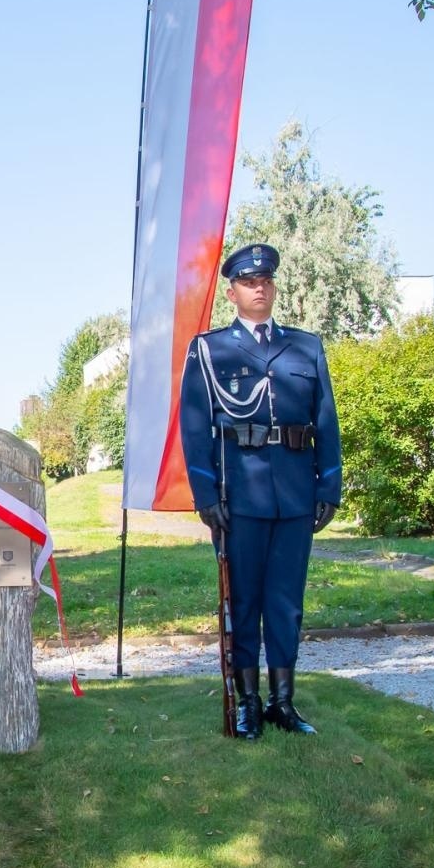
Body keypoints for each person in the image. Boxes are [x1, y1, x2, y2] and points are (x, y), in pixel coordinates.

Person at [180, 243, 342, 740]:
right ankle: (248, 702)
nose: (260, 288)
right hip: (239, 496)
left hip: (294, 494)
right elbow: (194, 426)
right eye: (250, 282)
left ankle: (283, 702)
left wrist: (328, 485)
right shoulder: (210, 350)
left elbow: (326, 421)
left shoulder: (306, 347)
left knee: (286, 602)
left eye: (267, 281)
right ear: (232, 292)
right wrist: (206, 493)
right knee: (244, 601)